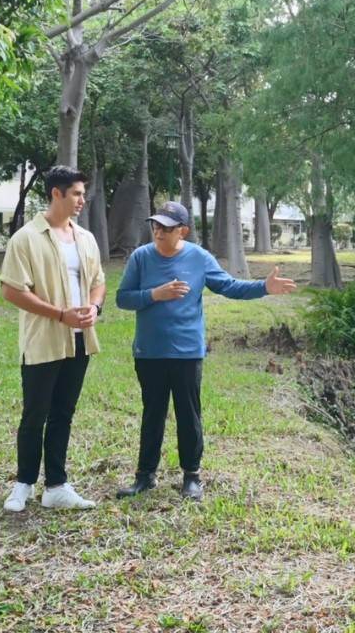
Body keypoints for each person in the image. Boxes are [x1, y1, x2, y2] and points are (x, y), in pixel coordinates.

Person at [114, 201, 297, 501]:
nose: (158, 232)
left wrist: (264, 287)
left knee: (189, 415)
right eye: (155, 226)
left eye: (166, 228)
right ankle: (144, 476)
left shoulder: (198, 258)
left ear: (183, 231)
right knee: (153, 415)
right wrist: (154, 295)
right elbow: (123, 298)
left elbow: (230, 287)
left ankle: (191, 476)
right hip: (149, 352)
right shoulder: (141, 258)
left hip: (186, 352)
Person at [0, 165, 106, 512]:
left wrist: (94, 306)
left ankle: (56, 485)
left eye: (83, 194)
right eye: (75, 193)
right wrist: (60, 314)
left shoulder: (85, 238)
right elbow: (11, 290)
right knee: (35, 414)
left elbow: (98, 282)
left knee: (63, 413)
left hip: (80, 340)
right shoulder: (26, 238)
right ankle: (23, 484)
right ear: (56, 193)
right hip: (44, 339)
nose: (81, 201)